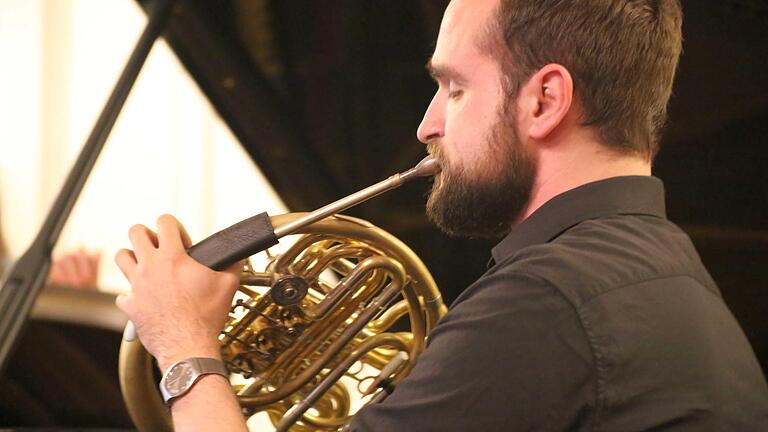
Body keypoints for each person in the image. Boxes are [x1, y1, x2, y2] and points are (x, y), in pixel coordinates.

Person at [115, 0, 768, 430]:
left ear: (544, 100)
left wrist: (184, 344)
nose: (426, 125)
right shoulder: (665, 272)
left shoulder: (546, 306)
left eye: (454, 88)